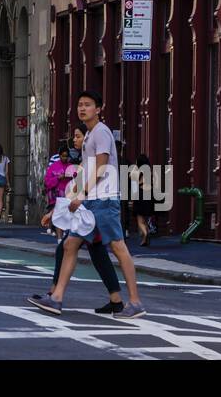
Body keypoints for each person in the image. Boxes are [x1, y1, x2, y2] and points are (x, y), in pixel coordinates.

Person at [32, 90, 146, 319]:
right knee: (69, 245)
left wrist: (81, 196)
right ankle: (56, 298)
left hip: (103, 201)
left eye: (88, 105)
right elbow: (84, 173)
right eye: (80, 105)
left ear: (99, 108)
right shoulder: (90, 136)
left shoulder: (101, 133)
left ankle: (135, 302)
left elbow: (102, 167)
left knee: (118, 248)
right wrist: (60, 207)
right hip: (91, 202)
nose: (82, 108)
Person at [132, 152, 155, 247]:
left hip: (140, 194)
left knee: (140, 219)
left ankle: (145, 234)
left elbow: (131, 178)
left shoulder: (137, 172)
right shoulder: (150, 171)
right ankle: (146, 236)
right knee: (145, 218)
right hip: (149, 194)